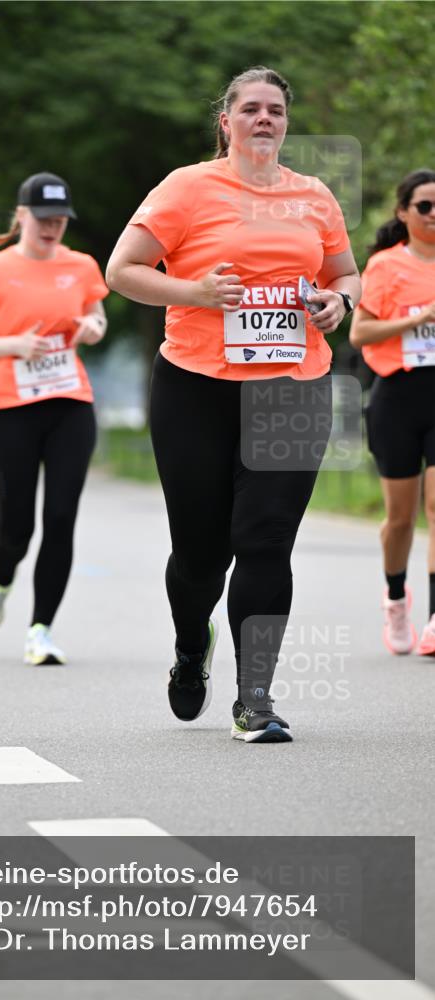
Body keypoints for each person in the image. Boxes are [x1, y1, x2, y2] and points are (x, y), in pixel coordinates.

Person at [106, 66, 360, 743]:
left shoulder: (313, 196)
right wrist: (193, 293)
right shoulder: (187, 187)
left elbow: (342, 274)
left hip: (292, 385)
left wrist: (340, 302)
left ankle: (255, 700)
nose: (263, 120)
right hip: (195, 387)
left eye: (274, 109)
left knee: (265, 540)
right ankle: (192, 649)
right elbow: (121, 270)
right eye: (249, 109)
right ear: (226, 121)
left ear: (286, 121)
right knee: (199, 556)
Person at [0, 172, 108, 665]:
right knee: (16, 527)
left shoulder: (82, 265)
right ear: (21, 215)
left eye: (60, 219)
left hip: (69, 402)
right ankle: (0, 584)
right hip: (9, 408)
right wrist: (15, 345)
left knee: (61, 518)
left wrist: (91, 327)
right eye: (43, 218)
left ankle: (40, 629)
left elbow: (98, 319)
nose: (52, 227)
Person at [349, 169, 435, 656]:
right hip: (397, 399)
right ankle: (396, 597)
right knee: (400, 518)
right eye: (424, 205)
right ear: (403, 212)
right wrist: (418, 319)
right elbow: (360, 335)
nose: (433, 214)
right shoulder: (384, 266)